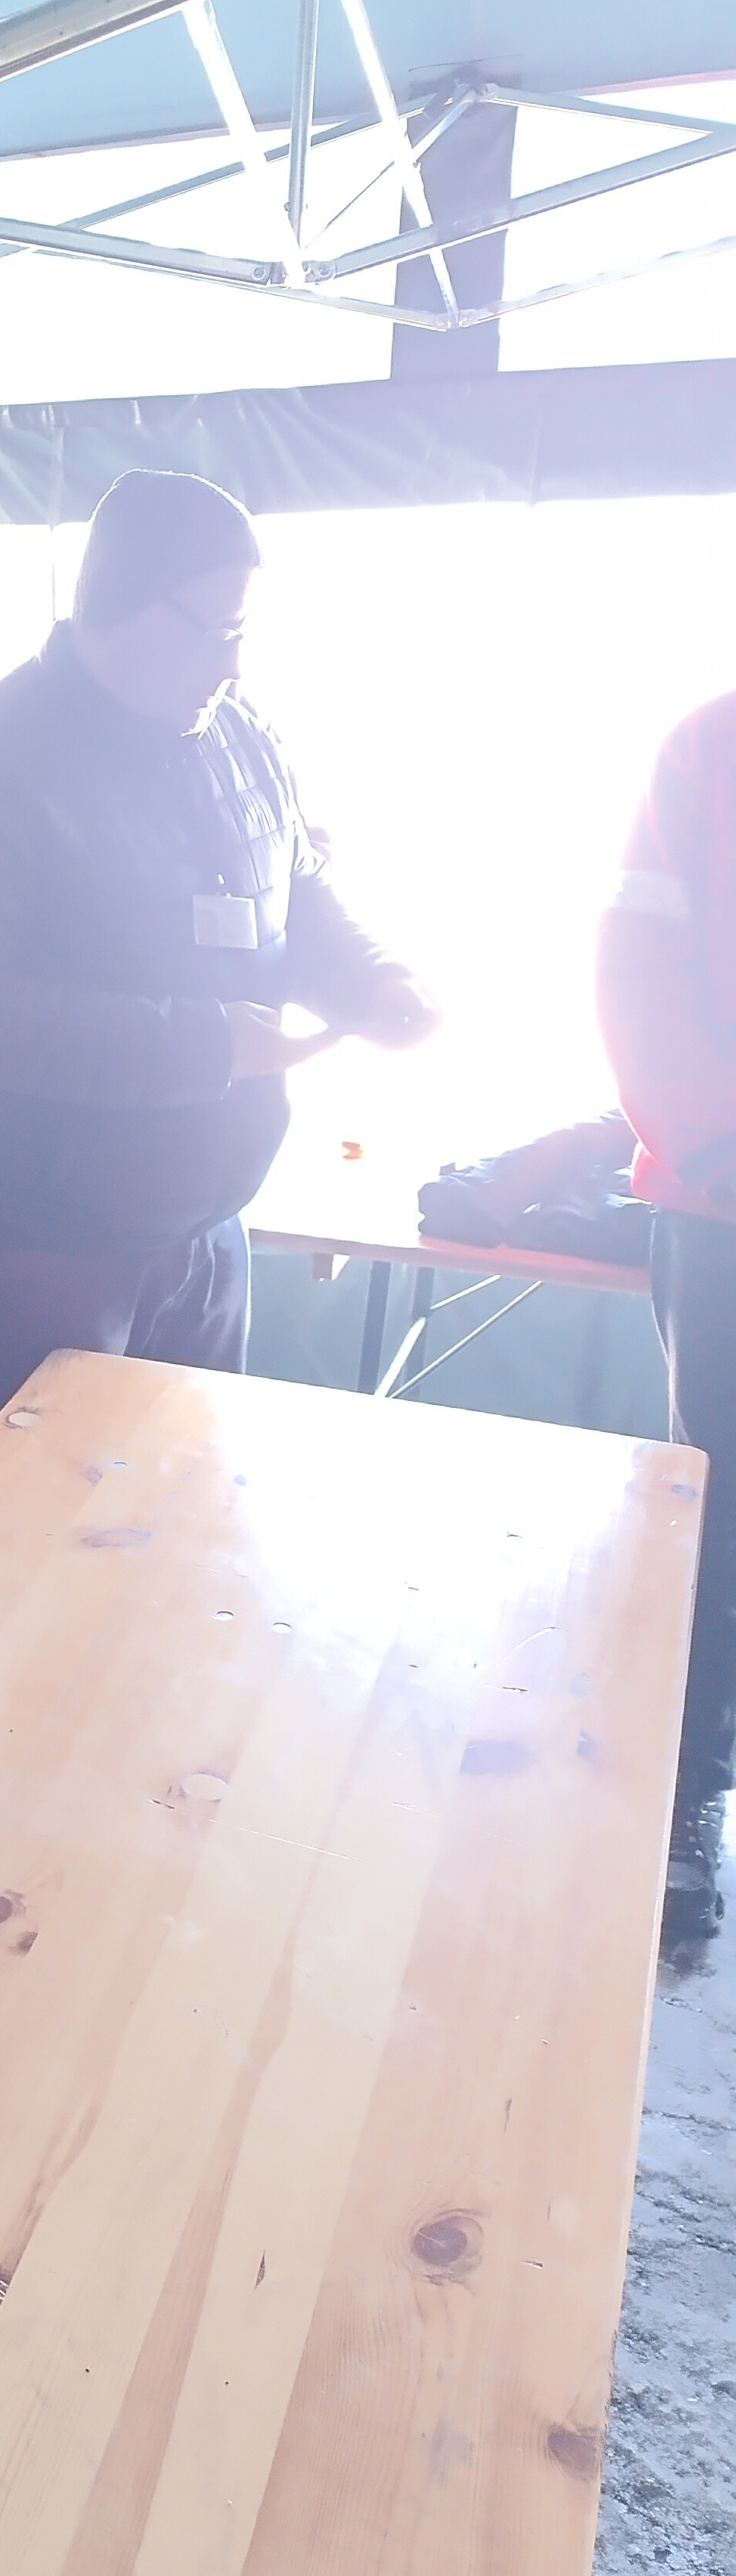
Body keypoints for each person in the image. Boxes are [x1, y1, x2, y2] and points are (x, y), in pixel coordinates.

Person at [0, 469, 436, 1472]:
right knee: (28, 1524)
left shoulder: (238, 730)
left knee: (181, 1508)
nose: (236, 660)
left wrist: (371, 980)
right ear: (122, 604)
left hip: (208, 1219)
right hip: (41, 1234)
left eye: (244, 630)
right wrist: (208, 1045)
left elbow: (295, 886)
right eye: (217, 631)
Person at [598, 692, 736, 1941]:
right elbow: (636, 969)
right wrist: (714, 1150)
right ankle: (687, 1792)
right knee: (719, 1516)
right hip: (724, 1206)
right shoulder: (711, 745)